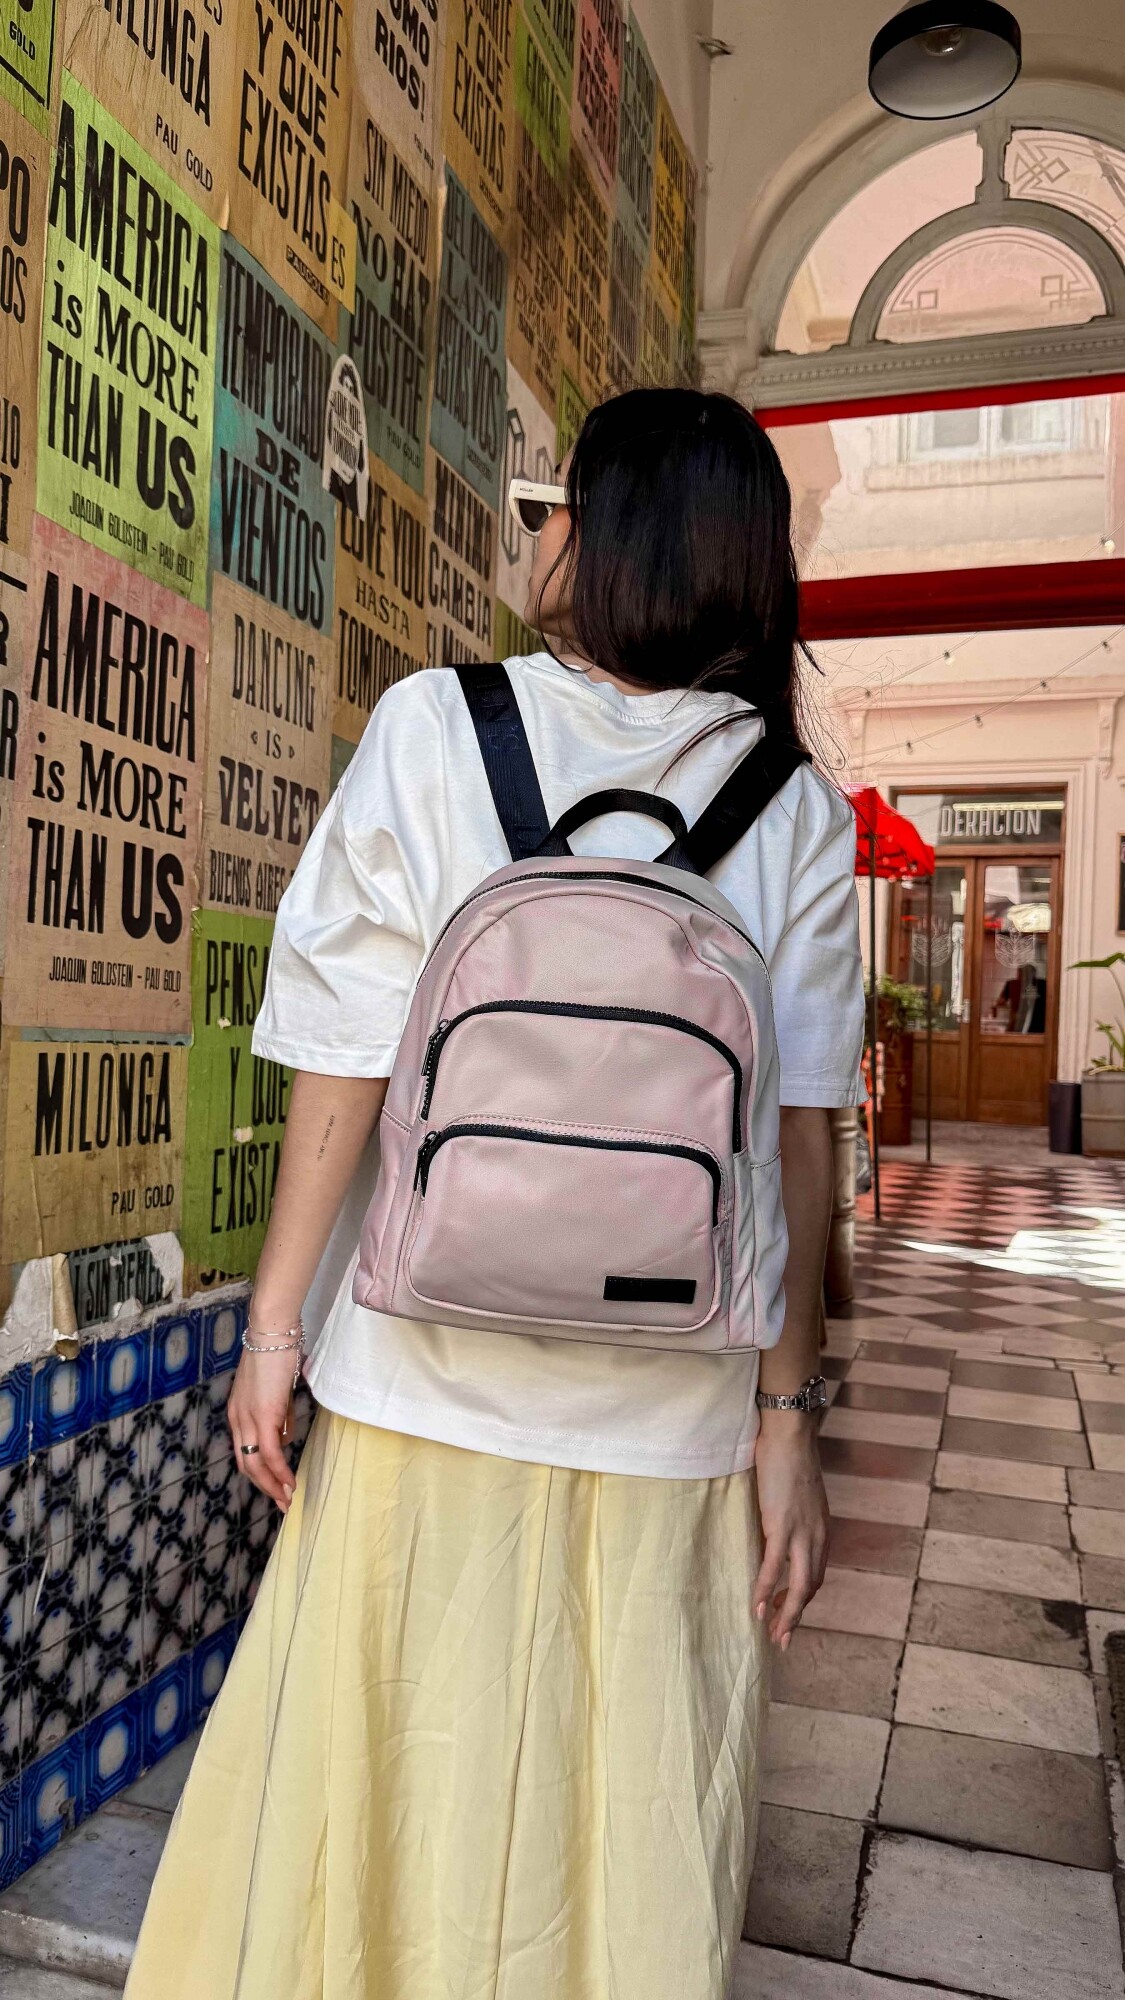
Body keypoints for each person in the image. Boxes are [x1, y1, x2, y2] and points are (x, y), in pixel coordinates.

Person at [125, 388, 865, 2000]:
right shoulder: (795, 806)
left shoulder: (432, 729)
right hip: (673, 1394)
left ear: (607, 534)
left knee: (391, 1751)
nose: (539, 532)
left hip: (420, 1365)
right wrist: (786, 1424)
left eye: (554, 502)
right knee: (622, 1794)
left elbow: (343, 1065)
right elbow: (803, 1144)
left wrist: (275, 1331)